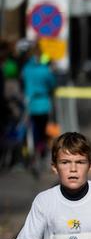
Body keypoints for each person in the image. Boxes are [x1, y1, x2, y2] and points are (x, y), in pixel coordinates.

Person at [21, 45, 56, 174]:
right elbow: (52, 83)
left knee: (31, 130)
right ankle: (39, 153)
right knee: (42, 131)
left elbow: (23, 83)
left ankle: (30, 153)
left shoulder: (26, 69)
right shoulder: (45, 70)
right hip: (43, 104)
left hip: (29, 104)